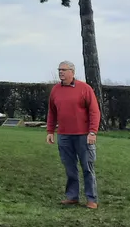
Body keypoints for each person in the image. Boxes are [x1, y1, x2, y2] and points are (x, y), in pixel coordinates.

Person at [46, 60, 101, 209]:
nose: (61, 72)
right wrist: (50, 131)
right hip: (64, 136)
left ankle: (91, 199)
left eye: (64, 70)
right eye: (59, 70)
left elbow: (94, 111)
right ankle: (72, 196)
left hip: (83, 135)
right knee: (70, 168)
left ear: (72, 72)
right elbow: (52, 112)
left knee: (87, 168)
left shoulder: (85, 89)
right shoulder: (55, 90)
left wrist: (92, 132)